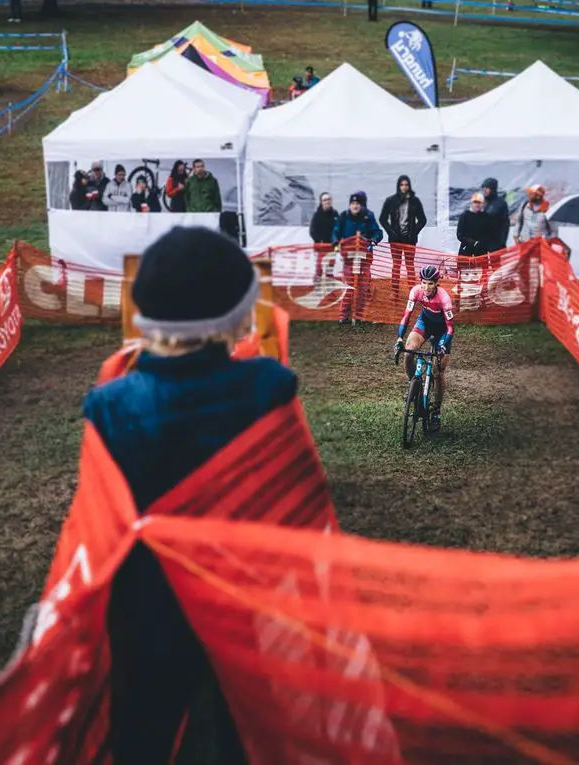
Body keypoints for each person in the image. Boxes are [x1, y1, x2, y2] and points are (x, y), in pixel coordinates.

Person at [82, 226, 293, 765]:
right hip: (243, 592)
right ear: (237, 312)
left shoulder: (109, 404)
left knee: (143, 729)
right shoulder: (268, 386)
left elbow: (99, 515)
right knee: (245, 726)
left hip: (145, 599)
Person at [393, 265, 455, 432]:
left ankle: (436, 412)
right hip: (425, 323)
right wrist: (399, 337)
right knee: (409, 351)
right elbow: (406, 315)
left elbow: (450, 328)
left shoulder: (444, 298)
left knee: (438, 372)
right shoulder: (416, 291)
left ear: (436, 284)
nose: (426, 288)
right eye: (423, 283)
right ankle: (413, 386)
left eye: (430, 284)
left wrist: (442, 345)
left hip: (443, 331)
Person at [332, 191, 383, 324]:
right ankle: (343, 315)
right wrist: (336, 243)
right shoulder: (343, 216)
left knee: (362, 287)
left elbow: (378, 232)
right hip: (348, 259)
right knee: (348, 287)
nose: (355, 206)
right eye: (352, 204)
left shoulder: (368, 216)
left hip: (364, 259)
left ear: (362, 205)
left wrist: (374, 240)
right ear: (350, 205)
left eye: (357, 204)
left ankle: (359, 315)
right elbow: (336, 232)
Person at [379, 175, 428, 302]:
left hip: (410, 240)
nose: (404, 187)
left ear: (409, 186)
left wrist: (414, 232)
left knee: (410, 266)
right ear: (398, 186)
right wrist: (391, 232)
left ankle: (414, 293)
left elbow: (423, 220)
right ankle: (394, 292)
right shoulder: (390, 200)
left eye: (406, 185)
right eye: (402, 185)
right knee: (396, 266)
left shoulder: (414, 201)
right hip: (395, 239)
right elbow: (382, 219)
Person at [479, 178, 510, 251]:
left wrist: (502, 242)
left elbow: (505, 224)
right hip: (482, 243)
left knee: (495, 262)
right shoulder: (481, 202)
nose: (484, 190)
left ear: (493, 189)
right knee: (482, 262)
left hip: (496, 243)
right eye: (483, 187)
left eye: (487, 188)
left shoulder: (500, 203)